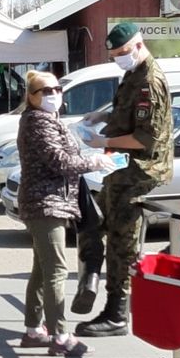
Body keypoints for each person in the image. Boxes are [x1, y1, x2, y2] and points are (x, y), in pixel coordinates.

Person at [73, 22, 173, 337]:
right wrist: (103, 117)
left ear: (138, 45)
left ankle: (116, 313)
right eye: (115, 55)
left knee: (121, 240)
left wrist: (100, 143)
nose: (119, 59)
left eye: (122, 53)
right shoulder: (133, 75)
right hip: (122, 166)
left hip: (141, 170)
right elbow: (128, 115)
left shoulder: (149, 81)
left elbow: (146, 139)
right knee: (90, 220)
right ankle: (89, 278)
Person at [16, 71, 114, 356]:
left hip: (50, 203)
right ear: (31, 97)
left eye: (57, 89)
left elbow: (63, 153)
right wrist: (93, 163)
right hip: (46, 204)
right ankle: (60, 336)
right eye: (45, 91)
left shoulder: (47, 120)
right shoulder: (38, 122)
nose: (53, 95)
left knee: (42, 268)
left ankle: (34, 329)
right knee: (56, 270)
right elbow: (59, 161)